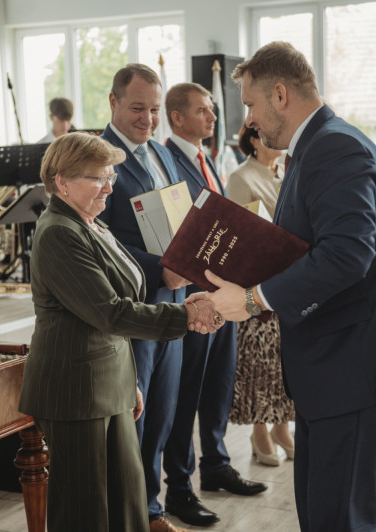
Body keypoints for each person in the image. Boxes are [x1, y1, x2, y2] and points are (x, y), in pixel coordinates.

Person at [190, 42, 376, 532]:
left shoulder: (334, 147)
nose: (248, 121)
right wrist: (232, 283)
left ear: (280, 95)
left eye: (250, 104)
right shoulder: (313, 147)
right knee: (320, 513)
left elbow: (347, 255)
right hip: (335, 365)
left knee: (341, 519)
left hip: (359, 363)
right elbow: (302, 249)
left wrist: (252, 300)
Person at [18, 132, 222, 532]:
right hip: (76, 392)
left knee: (126, 503)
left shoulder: (91, 223)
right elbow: (110, 313)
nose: (109, 187)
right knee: (86, 514)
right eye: (98, 178)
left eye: (110, 176)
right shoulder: (59, 231)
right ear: (61, 182)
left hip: (108, 384)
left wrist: (129, 383)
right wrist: (185, 316)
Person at [162, 83, 266, 527]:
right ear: (177, 118)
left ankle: (217, 465)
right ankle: (179, 486)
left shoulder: (209, 159)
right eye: (203, 111)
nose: (212, 117)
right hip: (192, 294)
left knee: (219, 383)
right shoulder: (167, 160)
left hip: (223, 290)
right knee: (187, 391)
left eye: (212, 110)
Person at [97, 64, 193, 532]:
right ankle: (131, 514)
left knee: (162, 411)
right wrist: (160, 269)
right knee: (133, 415)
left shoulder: (161, 151)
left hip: (173, 302)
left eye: (154, 109)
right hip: (134, 306)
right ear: (113, 102)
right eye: (138, 108)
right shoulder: (98, 158)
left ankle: (151, 507)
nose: (148, 119)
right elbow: (99, 239)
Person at [225, 124, 294, 468]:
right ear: (254, 139)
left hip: (290, 279)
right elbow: (238, 235)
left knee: (284, 360)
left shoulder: (286, 171)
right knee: (260, 361)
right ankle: (259, 430)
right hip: (258, 283)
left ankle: (282, 427)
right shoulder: (241, 177)